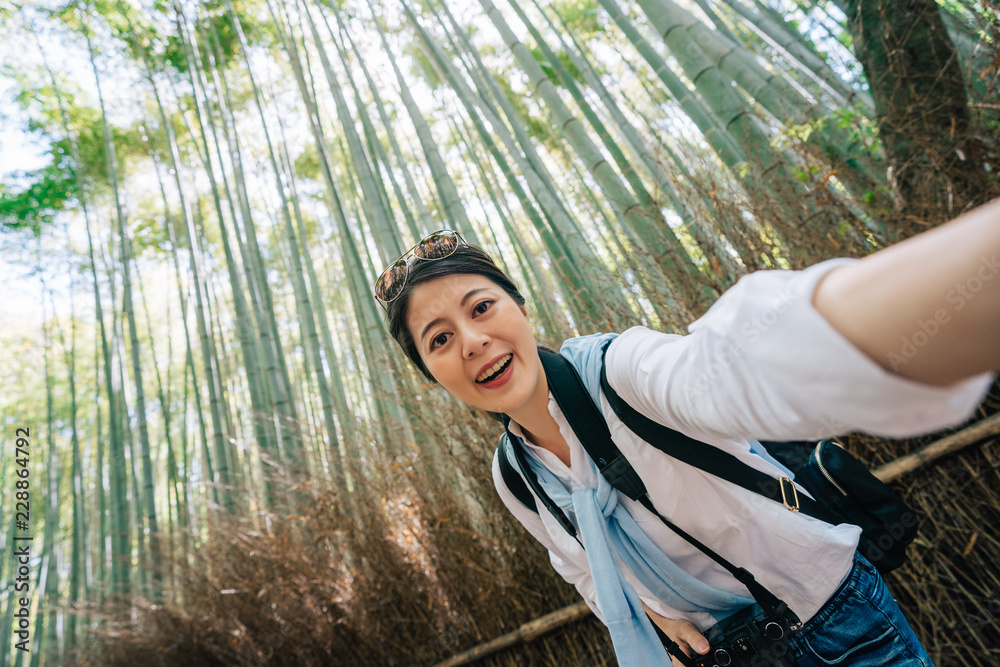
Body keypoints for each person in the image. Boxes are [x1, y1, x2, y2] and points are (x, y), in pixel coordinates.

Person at [375, 198, 1000, 666]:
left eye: (481, 307)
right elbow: (582, 567)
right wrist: (650, 616)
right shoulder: (516, 476)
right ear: (432, 374)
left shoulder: (617, 371)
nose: (473, 340)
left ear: (519, 306)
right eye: (440, 339)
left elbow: (729, 371)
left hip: (839, 625)